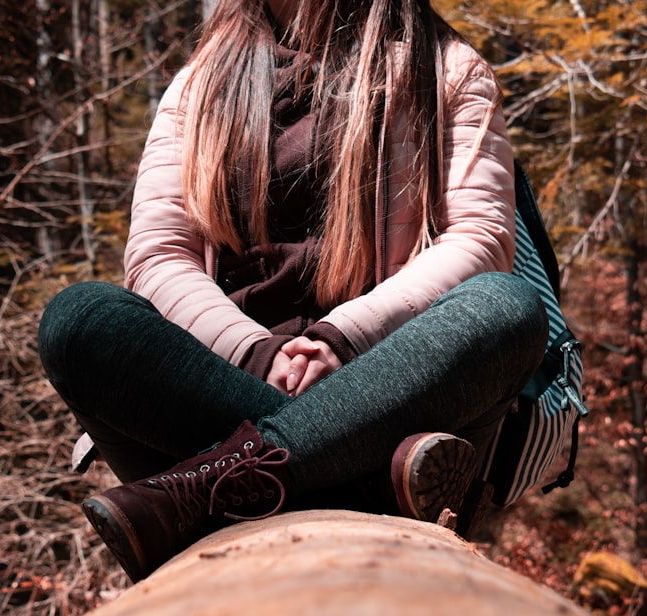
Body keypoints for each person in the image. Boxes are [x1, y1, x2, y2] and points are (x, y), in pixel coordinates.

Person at [38, 0, 548, 583]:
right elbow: (159, 256)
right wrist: (256, 356)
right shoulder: (198, 85)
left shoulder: (447, 69)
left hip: (395, 388)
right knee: (79, 320)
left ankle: (209, 485)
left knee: (503, 308)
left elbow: (480, 240)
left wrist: (342, 342)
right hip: (254, 402)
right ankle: (361, 479)